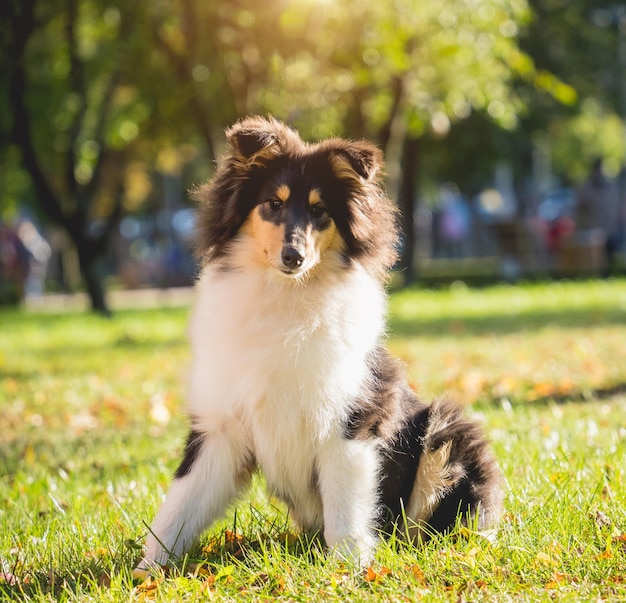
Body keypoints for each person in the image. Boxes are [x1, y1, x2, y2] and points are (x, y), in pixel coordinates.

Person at [574, 159, 621, 275]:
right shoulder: (586, 189)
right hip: (593, 231)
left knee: (612, 255)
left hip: (611, 230)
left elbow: (617, 208)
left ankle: (611, 272)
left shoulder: (611, 188)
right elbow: (579, 212)